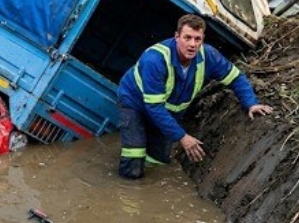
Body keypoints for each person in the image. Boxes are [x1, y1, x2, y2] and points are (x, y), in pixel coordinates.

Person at [116, 14, 273, 179]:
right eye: (187, 38)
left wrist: (251, 103)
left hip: (167, 111)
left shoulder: (208, 56)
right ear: (177, 37)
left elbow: (236, 78)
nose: (192, 44)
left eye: (197, 39)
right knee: (134, 158)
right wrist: (182, 137)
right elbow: (154, 107)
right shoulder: (155, 60)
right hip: (135, 103)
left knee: (159, 162)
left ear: (203, 39)